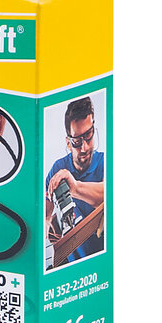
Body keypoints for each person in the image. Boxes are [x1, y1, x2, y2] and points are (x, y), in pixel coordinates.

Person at [45, 96, 105, 262]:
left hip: (102, 261)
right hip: (71, 265)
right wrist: (49, 225)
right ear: (68, 142)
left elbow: (108, 195)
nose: (84, 147)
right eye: (77, 141)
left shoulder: (106, 163)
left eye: (88, 135)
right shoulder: (57, 169)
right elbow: (45, 215)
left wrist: (75, 188)